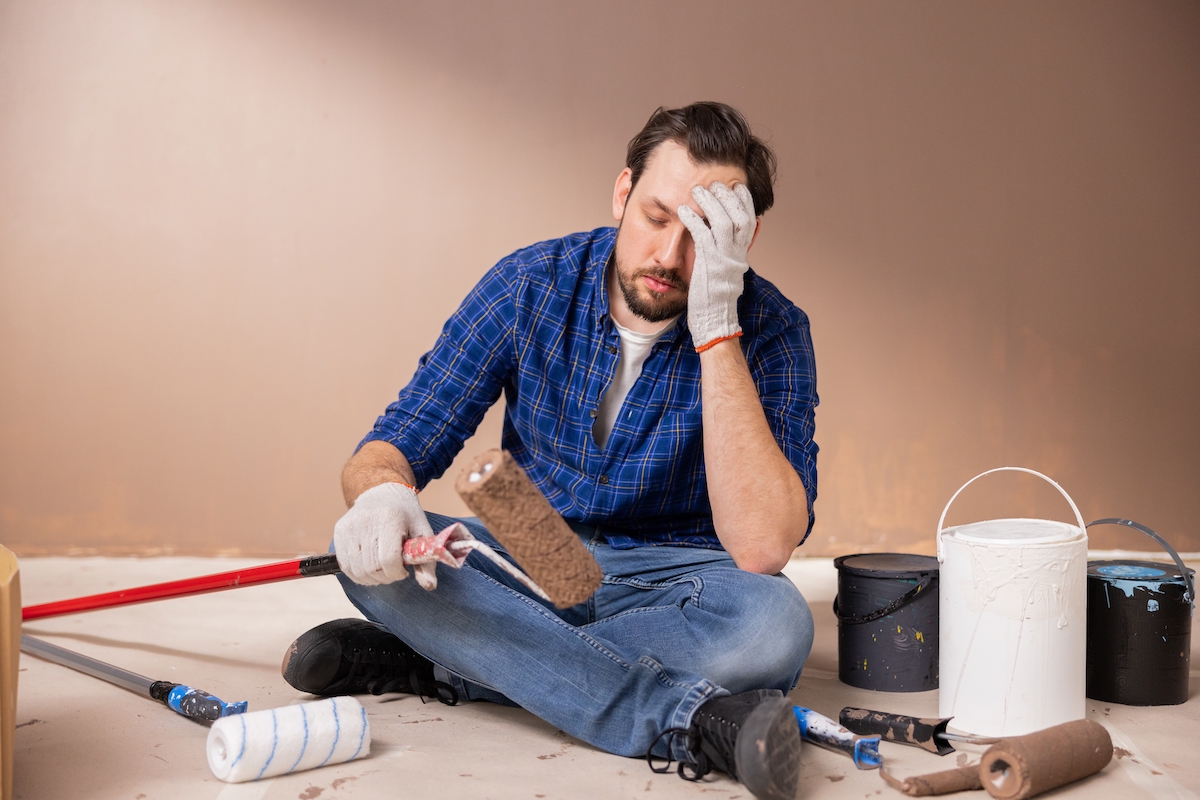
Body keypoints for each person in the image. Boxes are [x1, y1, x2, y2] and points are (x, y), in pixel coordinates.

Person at [281, 102, 819, 800]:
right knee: (368, 565)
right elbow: (394, 444)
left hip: (683, 572)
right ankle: (689, 715)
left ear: (741, 239)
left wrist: (717, 328)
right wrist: (384, 496)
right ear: (623, 191)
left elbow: (761, 549)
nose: (669, 257)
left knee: (775, 627)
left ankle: (453, 665)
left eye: (702, 237)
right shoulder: (529, 283)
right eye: (657, 217)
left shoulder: (772, 327)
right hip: (535, 546)